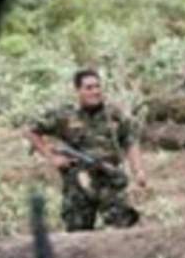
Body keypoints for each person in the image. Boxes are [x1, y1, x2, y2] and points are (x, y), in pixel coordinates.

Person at [25, 69, 147, 232]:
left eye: (97, 86)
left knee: (122, 229)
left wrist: (138, 171)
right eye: (88, 88)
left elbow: (131, 141)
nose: (95, 91)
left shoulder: (114, 114)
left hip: (109, 179)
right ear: (77, 91)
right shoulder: (65, 115)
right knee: (78, 233)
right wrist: (52, 158)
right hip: (78, 182)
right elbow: (30, 131)